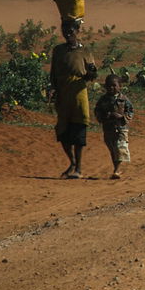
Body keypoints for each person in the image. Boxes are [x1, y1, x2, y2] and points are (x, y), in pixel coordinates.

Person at [49, 19, 97, 179]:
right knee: (62, 132)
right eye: (65, 30)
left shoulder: (85, 51)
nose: (68, 33)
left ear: (77, 30)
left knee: (78, 132)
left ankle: (78, 167)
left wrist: (91, 72)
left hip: (78, 96)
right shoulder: (58, 51)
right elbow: (53, 73)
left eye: (71, 30)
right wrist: (52, 89)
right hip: (63, 96)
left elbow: (91, 76)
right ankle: (72, 162)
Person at [94, 74, 134, 180]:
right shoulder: (103, 100)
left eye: (114, 85)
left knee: (120, 147)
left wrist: (122, 117)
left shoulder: (124, 99)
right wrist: (104, 117)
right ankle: (116, 168)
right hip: (108, 128)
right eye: (108, 86)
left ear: (119, 86)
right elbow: (97, 111)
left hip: (121, 128)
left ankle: (117, 170)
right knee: (112, 149)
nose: (111, 88)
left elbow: (130, 111)